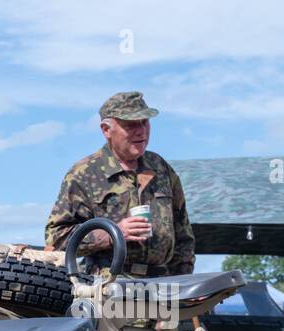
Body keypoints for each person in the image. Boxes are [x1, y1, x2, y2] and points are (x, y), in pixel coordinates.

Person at [45, 92, 195, 278]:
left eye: (144, 122)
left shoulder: (161, 168)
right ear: (106, 130)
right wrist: (113, 233)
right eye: (131, 125)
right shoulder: (85, 174)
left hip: (162, 285)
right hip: (109, 285)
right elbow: (57, 239)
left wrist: (184, 281)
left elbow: (183, 235)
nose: (141, 131)